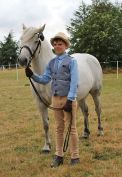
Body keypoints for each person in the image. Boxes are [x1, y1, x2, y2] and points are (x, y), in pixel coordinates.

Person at [25, 32, 79, 168]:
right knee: (58, 128)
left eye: (60, 44)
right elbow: (45, 79)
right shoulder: (52, 62)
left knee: (71, 129)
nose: (57, 46)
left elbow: (74, 82)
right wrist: (33, 75)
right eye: (55, 44)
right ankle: (59, 156)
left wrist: (70, 99)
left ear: (65, 45)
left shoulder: (72, 61)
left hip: (68, 99)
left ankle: (75, 156)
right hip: (55, 99)